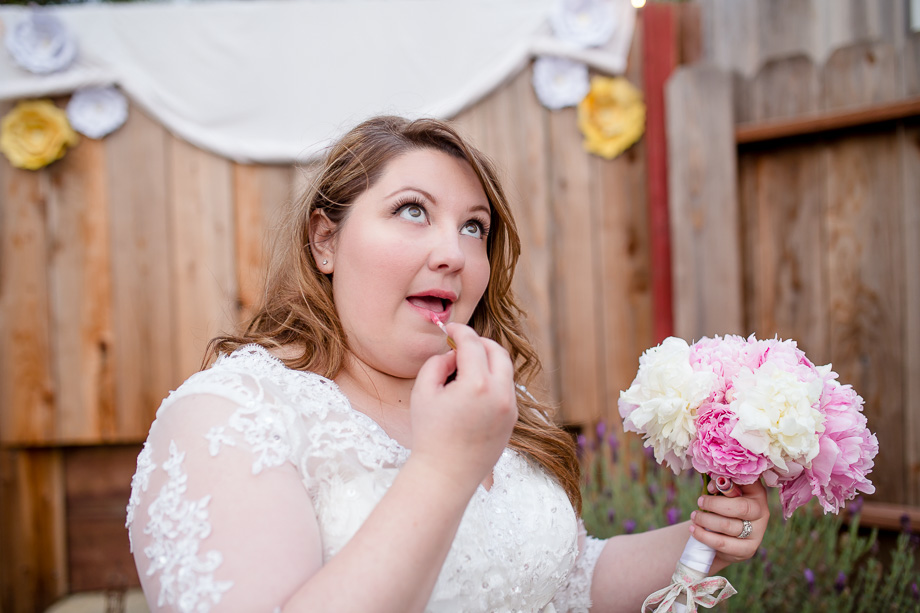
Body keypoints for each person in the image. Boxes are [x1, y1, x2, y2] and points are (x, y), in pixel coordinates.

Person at [126, 115, 769, 613]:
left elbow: (564, 584)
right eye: (413, 211)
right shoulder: (231, 415)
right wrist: (445, 466)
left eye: (474, 228)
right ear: (326, 240)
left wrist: (703, 538)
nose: (454, 253)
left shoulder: (486, 401)